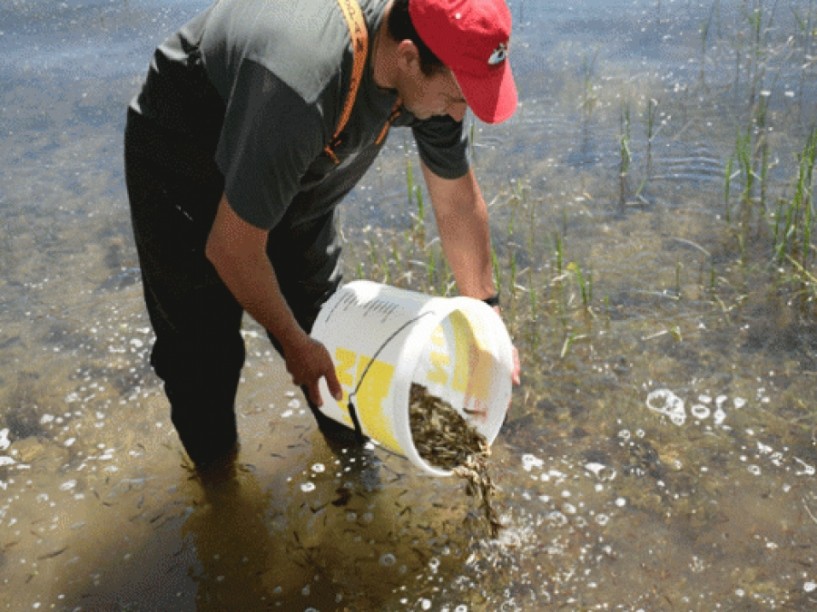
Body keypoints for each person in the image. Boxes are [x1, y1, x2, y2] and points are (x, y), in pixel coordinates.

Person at [124, 0, 522, 471]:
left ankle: (356, 482)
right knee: (204, 357)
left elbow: (455, 200)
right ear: (409, 57)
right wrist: (294, 343)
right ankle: (221, 496)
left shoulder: (430, 66)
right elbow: (230, 248)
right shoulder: (300, 86)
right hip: (188, 148)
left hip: (290, 159)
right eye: (458, 96)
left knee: (336, 339)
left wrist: (487, 314)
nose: (459, 114)